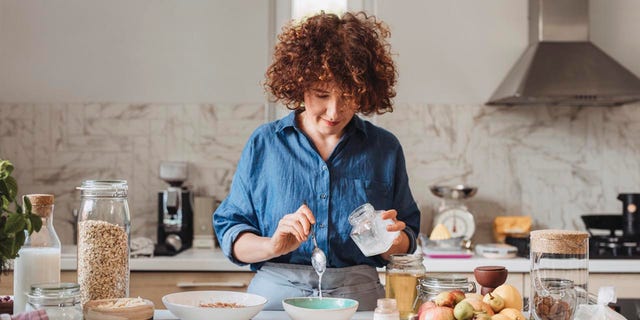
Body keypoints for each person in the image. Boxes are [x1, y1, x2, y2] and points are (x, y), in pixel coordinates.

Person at [213, 11, 420, 311]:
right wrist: (272, 245)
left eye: (348, 96)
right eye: (322, 94)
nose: (334, 111)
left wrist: (394, 243)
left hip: (359, 296)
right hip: (275, 295)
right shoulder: (265, 144)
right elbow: (232, 232)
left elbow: (408, 238)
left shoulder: (384, 148)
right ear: (299, 86)